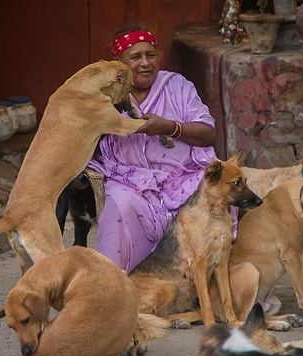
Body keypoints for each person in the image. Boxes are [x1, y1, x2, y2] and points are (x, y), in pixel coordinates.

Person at [87, 25, 230, 274]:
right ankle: (111, 287)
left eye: (150, 55)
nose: (145, 63)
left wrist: (170, 127)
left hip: (184, 177)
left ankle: (202, 289)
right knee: (119, 205)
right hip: (130, 181)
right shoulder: (106, 97)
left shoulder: (177, 86)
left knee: (214, 195)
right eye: (135, 57)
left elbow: (208, 134)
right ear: (120, 65)